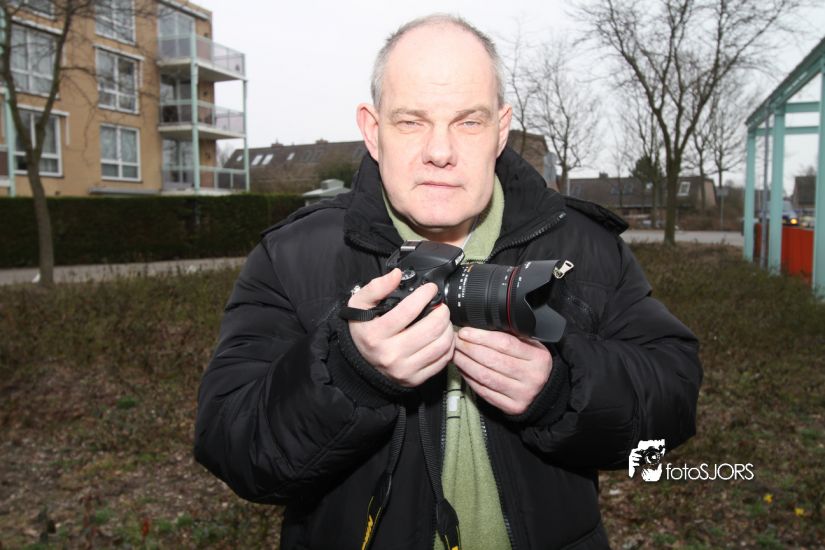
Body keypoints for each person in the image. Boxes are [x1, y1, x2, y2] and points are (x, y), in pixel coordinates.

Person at [194, 14, 702, 550]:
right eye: (411, 121)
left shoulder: (581, 244)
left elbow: (673, 396)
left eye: (468, 122)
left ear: (500, 130)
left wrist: (562, 390)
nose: (440, 151)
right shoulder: (292, 257)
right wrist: (347, 374)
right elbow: (231, 443)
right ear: (373, 130)